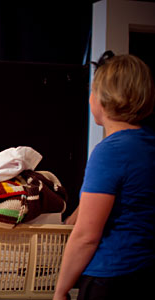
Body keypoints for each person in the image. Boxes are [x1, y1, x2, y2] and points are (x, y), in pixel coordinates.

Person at [54, 52, 155, 300]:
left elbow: (87, 235)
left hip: (111, 280)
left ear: (102, 98)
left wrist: (60, 290)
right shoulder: (147, 145)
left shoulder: (111, 151)